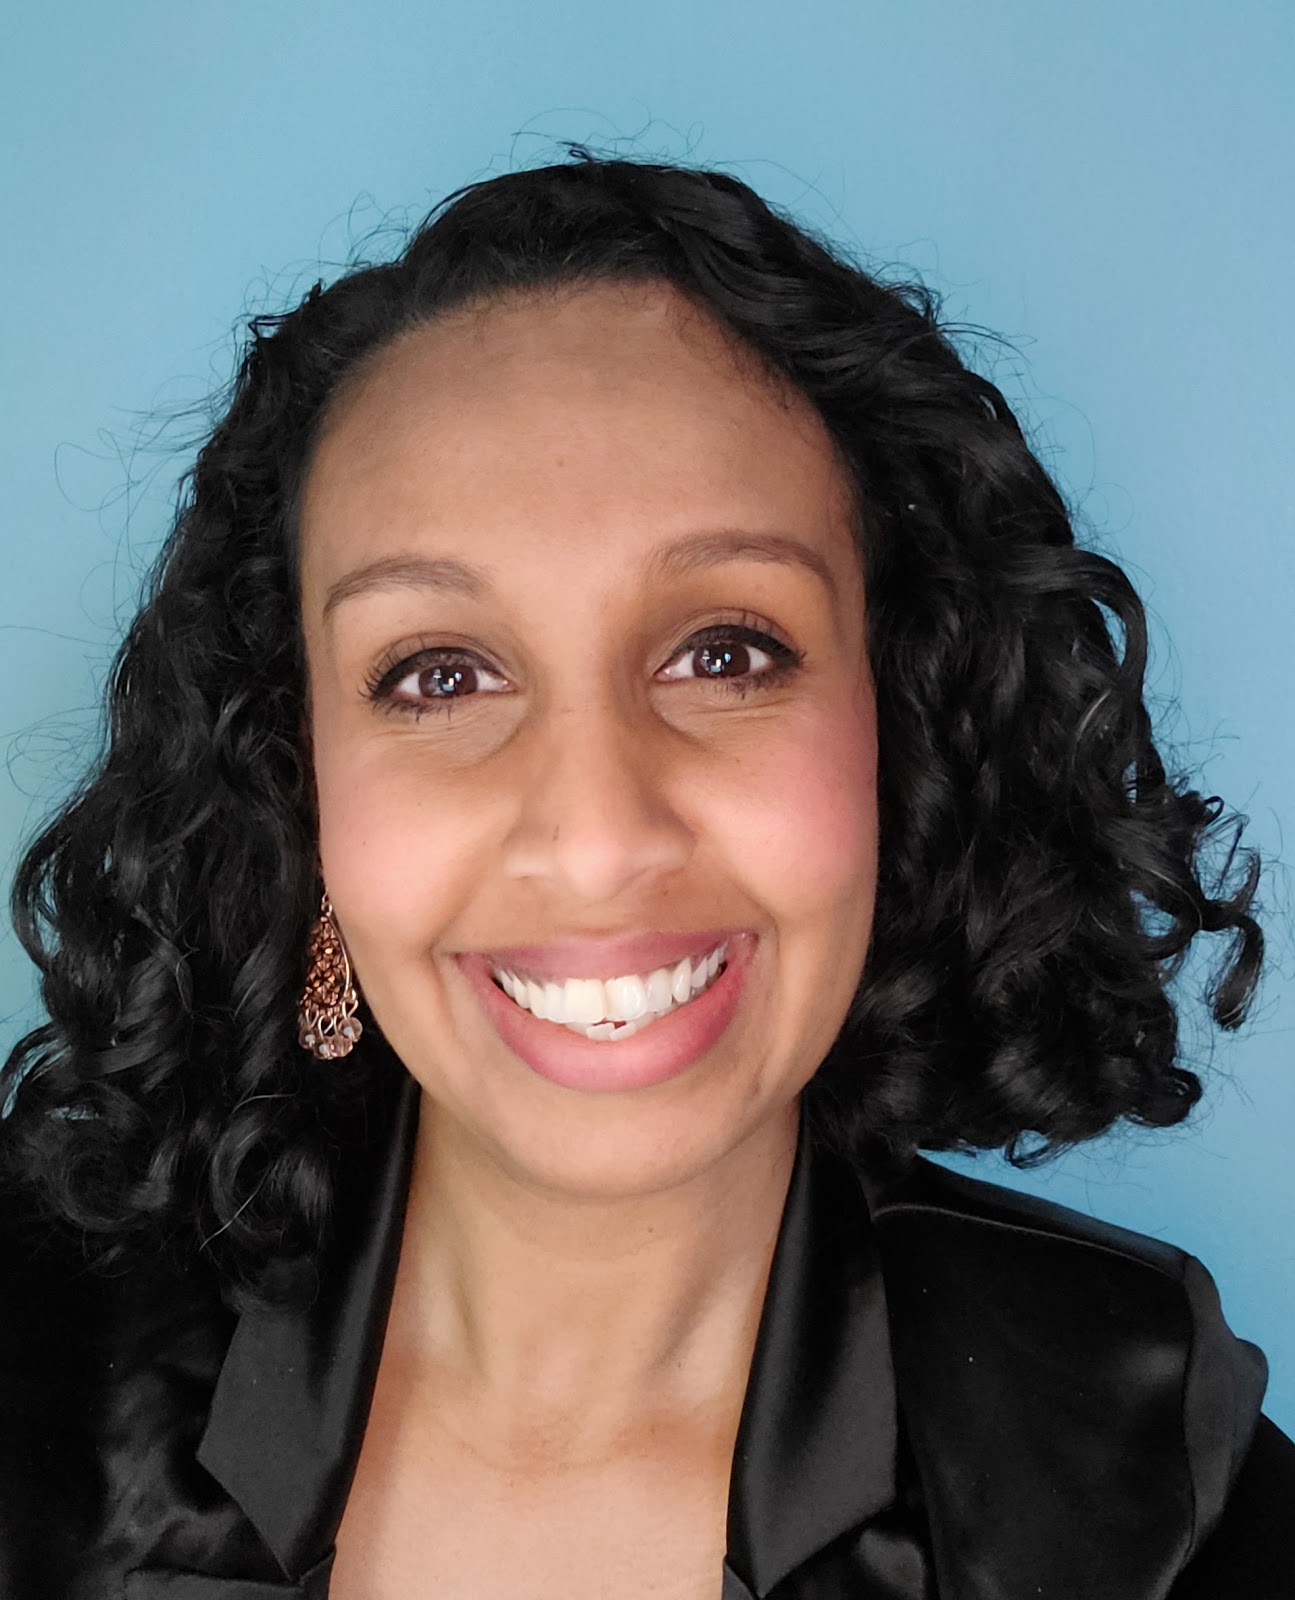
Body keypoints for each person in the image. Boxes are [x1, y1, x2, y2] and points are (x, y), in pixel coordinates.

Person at [0, 147, 1291, 1600]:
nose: (600, 837)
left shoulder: (1143, 1491)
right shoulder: (29, 1362)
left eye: (725, 651)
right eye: (440, 676)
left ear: (896, 726)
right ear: (298, 783)